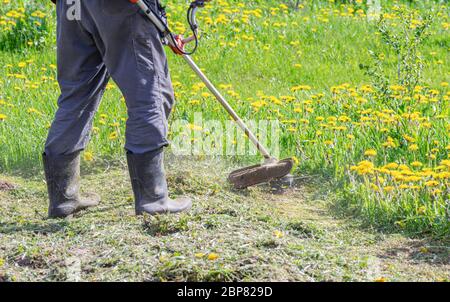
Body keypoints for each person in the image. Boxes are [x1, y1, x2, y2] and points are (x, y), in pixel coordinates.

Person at [44, 0, 191, 218]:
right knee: (149, 92)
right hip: (119, 7)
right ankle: (153, 199)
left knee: (76, 95)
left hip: (72, 5)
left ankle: (63, 199)